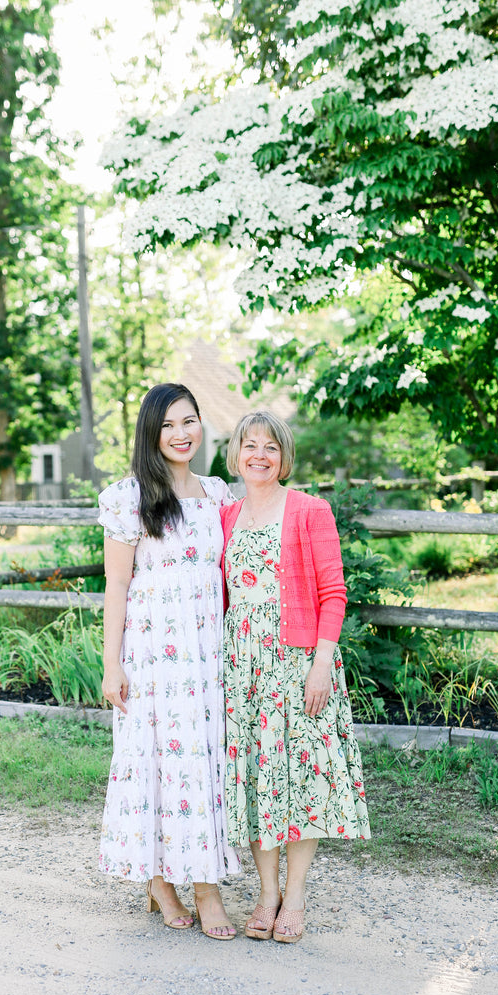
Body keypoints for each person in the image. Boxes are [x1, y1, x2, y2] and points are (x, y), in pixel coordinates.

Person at [220, 411, 370, 943]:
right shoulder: (226, 515)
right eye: (250, 445)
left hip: (298, 663)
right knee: (260, 779)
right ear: (235, 453)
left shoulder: (310, 510)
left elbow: (334, 591)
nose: (259, 455)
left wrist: (321, 664)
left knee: (302, 782)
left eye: (271, 447)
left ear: (284, 458)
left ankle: (296, 898)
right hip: (242, 668)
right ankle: (265, 896)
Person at [98, 383, 240, 939]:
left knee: (202, 768)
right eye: (168, 426)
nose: (181, 434)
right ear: (151, 434)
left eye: (189, 421)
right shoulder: (128, 497)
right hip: (154, 657)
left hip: (207, 657)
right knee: (157, 765)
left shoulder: (218, 495)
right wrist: (113, 665)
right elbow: (116, 584)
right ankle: (170, 885)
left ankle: (200, 883)